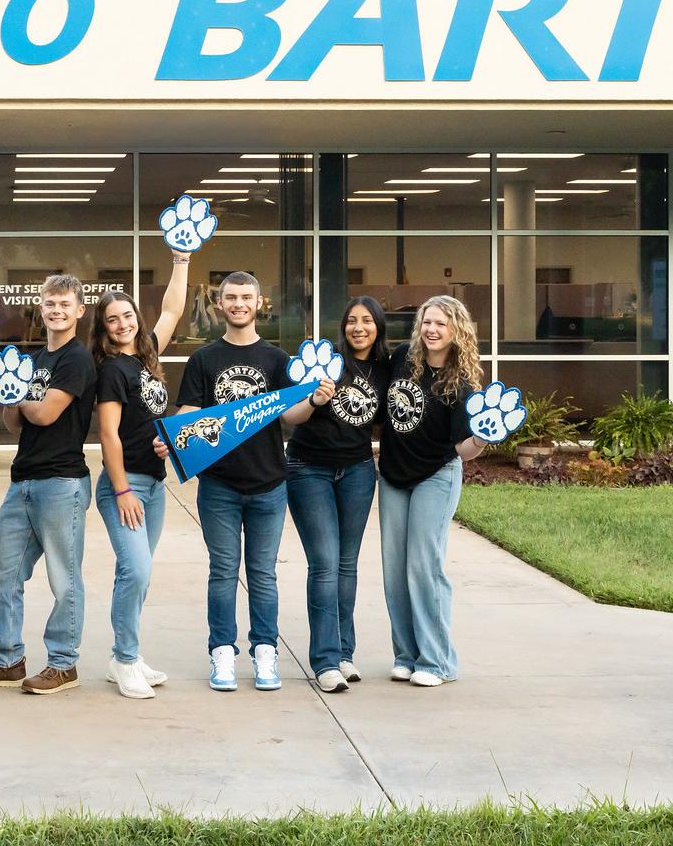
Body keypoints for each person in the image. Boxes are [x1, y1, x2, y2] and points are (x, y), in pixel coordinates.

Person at [173, 272, 332, 693]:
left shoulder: (278, 361)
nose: (239, 303)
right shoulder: (203, 360)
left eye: (246, 297)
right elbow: (189, 413)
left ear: (260, 303)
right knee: (223, 572)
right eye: (231, 297)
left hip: (269, 483)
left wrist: (313, 401)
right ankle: (222, 653)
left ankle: (265, 652)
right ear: (219, 303)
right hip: (219, 485)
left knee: (262, 574)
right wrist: (172, 437)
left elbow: (289, 416)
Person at [0, 273, 96, 695]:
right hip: (22, 479)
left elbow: (44, 415)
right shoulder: (37, 360)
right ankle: (7, 659)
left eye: (64, 304)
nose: (56, 311)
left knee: (64, 579)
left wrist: (16, 395)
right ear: (40, 309)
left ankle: (64, 663)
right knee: (1, 575)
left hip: (62, 483)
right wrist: (11, 398)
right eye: (49, 304)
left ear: (79, 310)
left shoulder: (77, 359)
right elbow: (15, 424)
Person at [90, 250, 191, 698]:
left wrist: (181, 260)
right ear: (104, 327)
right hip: (126, 484)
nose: (123, 324)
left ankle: (124, 656)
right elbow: (108, 436)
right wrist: (122, 488)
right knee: (135, 570)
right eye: (112, 319)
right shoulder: (112, 370)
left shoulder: (146, 358)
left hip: (155, 483)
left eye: (127, 315)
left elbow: (171, 309)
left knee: (139, 573)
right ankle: (125, 659)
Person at [378, 294, 488, 688]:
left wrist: (483, 437)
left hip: (436, 476)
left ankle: (437, 661)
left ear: (457, 330)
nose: (432, 329)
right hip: (392, 475)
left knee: (423, 567)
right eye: (427, 321)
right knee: (394, 571)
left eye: (441, 323)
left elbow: (464, 450)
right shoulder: (402, 359)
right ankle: (406, 655)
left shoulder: (462, 381)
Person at [285, 296, 389, 693]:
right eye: (351, 320)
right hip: (308, 468)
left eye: (366, 320)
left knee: (347, 565)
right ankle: (325, 661)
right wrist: (314, 399)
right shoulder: (324, 362)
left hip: (359, 472)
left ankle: (346, 654)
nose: (358, 327)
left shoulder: (384, 368)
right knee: (325, 564)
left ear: (378, 326)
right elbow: (288, 417)